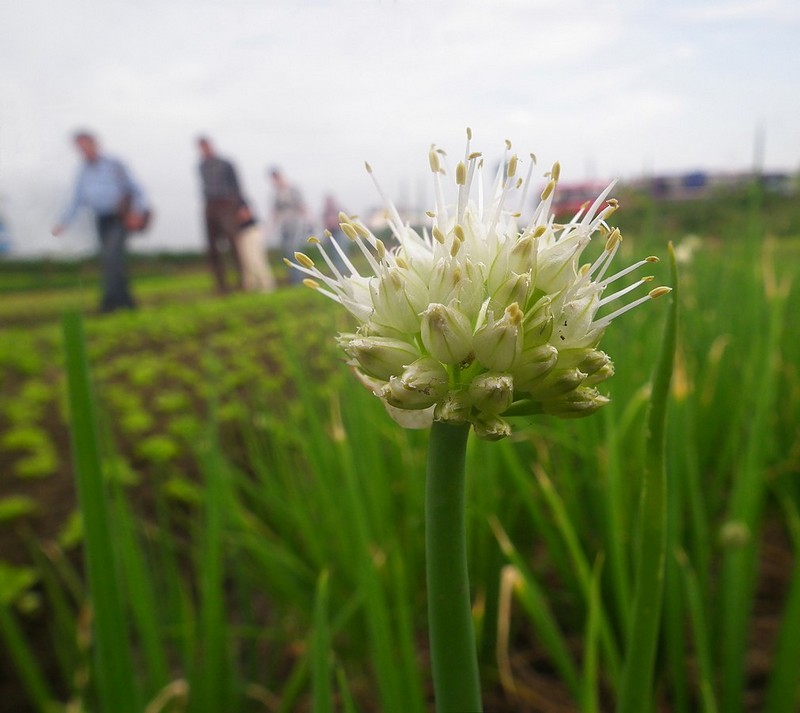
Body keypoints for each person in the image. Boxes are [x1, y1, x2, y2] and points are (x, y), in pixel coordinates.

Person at [52, 130, 148, 313]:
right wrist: (63, 222)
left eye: (85, 145)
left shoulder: (114, 164)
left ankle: (109, 303)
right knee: (111, 261)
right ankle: (127, 302)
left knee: (111, 257)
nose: (83, 150)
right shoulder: (82, 172)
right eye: (79, 147)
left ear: (95, 144)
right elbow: (77, 200)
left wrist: (138, 212)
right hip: (101, 220)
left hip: (120, 217)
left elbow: (136, 190)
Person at [197, 136, 248, 293]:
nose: (203, 150)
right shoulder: (201, 166)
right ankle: (222, 286)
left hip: (227, 204)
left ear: (211, 146)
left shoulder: (225, 163)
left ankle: (242, 282)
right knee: (212, 248)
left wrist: (242, 206)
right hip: (210, 205)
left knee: (234, 243)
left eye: (205, 146)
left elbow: (237, 185)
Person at [269, 167, 308, 283]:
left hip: (295, 223)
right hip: (283, 225)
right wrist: (270, 226)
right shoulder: (276, 193)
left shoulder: (292, 190)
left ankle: (299, 279)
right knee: (286, 251)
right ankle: (293, 278)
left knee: (295, 249)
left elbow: (302, 206)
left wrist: (309, 221)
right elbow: (275, 212)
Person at [235, 202, 275, 293]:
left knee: (257, 260)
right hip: (243, 233)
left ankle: (267, 286)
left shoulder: (241, 201)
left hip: (252, 231)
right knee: (247, 261)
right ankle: (251, 287)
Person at [321, 193, 351, 275]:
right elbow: (324, 224)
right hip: (331, 235)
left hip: (339, 233)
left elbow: (347, 219)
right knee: (334, 255)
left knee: (341, 254)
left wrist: (337, 222)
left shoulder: (339, 210)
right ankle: (339, 273)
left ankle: (344, 273)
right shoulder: (325, 213)